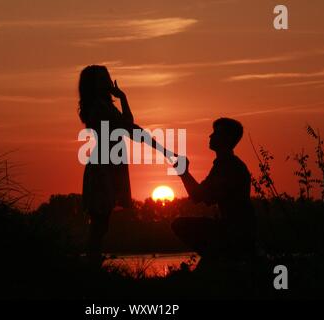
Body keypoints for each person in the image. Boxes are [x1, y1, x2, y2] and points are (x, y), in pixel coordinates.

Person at [78, 65, 174, 265]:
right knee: (99, 222)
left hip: (110, 164)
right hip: (104, 167)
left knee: (101, 223)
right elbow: (129, 127)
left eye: (107, 77)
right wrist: (164, 151)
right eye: (103, 78)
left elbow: (128, 126)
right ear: (93, 84)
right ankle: (91, 265)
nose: (107, 81)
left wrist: (122, 98)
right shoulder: (98, 107)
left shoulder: (104, 105)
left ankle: (92, 263)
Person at [172, 118, 256, 263]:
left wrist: (184, 173)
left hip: (236, 232)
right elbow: (200, 195)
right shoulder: (224, 165)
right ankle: (217, 260)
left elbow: (198, 196)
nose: (210, 136)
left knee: (179, 225)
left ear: (227, 138)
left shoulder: (228, 167)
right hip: (237, 230)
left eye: (216, 133)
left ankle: (217, 260)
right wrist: (184, 173)